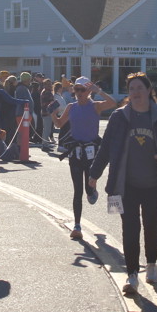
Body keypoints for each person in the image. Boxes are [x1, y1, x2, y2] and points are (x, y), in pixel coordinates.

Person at [89, 72, 157, 294]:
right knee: (130, 228)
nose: (136, 92)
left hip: (154, 184)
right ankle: (132, 275)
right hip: (125, 185)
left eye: (140, 88)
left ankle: (151, 265)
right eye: (132, 89)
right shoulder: (120, 117)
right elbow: (106, 147)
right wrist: (94, 174)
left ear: (149, 90)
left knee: (152, 226)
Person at [51, 77, 117, 239]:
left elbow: (113, 103)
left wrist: (98, 91)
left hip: (91, 152)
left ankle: (92, 190)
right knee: (77, 191)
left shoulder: (95, 106)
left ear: (88, 91)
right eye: (77, 89)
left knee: (88, 189)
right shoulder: (71, 107)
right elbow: (59, 124)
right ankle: (77, 226)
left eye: (82, 89)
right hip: (75, 153)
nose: (79, 92)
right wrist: (52, 113)